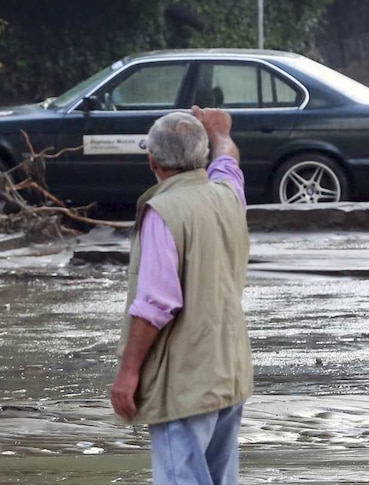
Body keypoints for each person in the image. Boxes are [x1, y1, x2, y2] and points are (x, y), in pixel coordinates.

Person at [111, 106, 253, 485]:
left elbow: (156, 305)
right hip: (229, 372)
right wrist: (221, 132)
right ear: (201, 156)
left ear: (152, 161)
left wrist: (128, 373)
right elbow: (228, 160)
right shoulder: (227, 196)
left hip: (185, 381)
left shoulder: (163, 211)